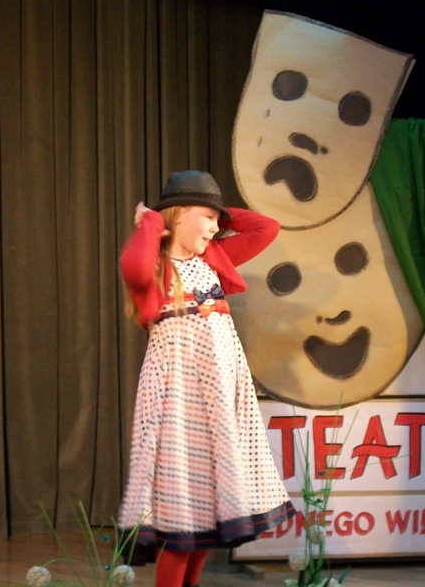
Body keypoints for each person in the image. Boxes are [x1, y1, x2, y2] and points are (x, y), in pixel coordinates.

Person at [117, 170, 296, 587]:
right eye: (208, 217)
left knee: (208, 516)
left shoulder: (214, 257)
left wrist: (218, 213)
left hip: (219, 395)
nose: (216, 227)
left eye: (219, 220)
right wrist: (152, 223)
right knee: (183, 517)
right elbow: (135, 268)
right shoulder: (156, 264)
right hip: (178, 396)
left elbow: (266, 228)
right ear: (178, 215)